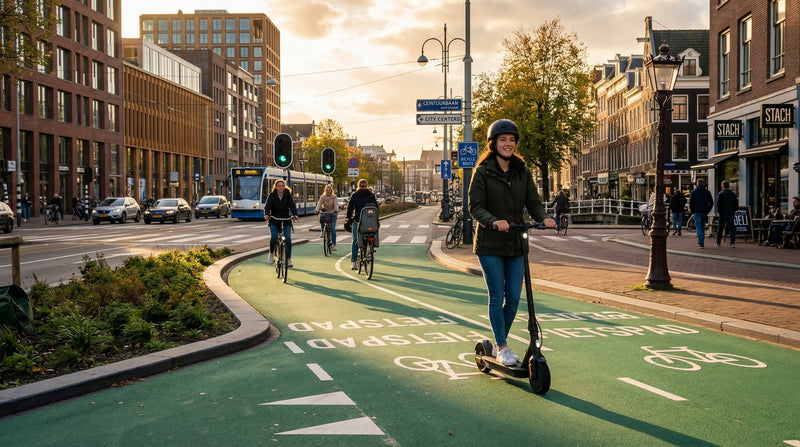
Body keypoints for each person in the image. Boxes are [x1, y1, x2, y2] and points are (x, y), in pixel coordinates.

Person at [468, 119, 555, 367]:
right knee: (497, 296)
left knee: (514, 298)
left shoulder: (522, 171)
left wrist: (544, 218)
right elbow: (475, 206)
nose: (508, 144)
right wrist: (494, 221)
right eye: (503, 139)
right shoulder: (483, 172)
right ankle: (503, 347)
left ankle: (497, 342)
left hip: (516, 243)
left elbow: (533, 203)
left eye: (512, 140)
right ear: (493, 144)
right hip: (490, 243)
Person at [264, 179, 298, 267]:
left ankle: (289, 259)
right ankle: (271, 253)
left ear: (284, 187)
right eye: (279, 186)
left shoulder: (288, 195)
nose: (281, 187)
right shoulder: (272, 195)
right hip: (274, 219)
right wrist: (267, 214)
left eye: (282, 186)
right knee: (274, 236)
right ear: (275, 187)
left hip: (286, 219)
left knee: (288, 238)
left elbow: (292, 205)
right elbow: (267, 206)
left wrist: (295, 214)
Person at [346, 179, 378, 270]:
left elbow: (350, 207)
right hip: (369, 221)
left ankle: (354, 262)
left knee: (355, 240)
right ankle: (371, 247)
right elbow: (376, 207)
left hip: (358, 221)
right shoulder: (371, 195)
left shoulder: (355, 195)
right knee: (372, 233)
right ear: (367, 186)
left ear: (358, 186)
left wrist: (348, 217)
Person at [688, 179, 713, 248]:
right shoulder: (707, 192)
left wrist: (692, 211)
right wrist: (707, 210)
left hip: (696, 212)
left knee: (698, 227)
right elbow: (711, 202)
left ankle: (701, 242)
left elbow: (691, 203)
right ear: (703, 184)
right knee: (702, 227)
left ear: (697, 184)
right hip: (704, 212)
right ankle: (701, 240)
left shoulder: (693, 192)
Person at [314, 184, 338, 251]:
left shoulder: (334, 197)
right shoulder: (322, 197)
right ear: (325, 190)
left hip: (332, 213)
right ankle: (322, 230)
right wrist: (317, 209)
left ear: (331, 190)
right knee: (321, 217)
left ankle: (334, 245)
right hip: (325, 213)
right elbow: (319, 204)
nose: (328, 191)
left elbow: (336, 204)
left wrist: (336, 209)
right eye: (327, 190)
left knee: (332, 228)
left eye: (329, 190)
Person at [714, 180, 738, 248]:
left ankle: (718, 242)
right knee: (732, 228)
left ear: (723, 186)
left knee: (721, 228)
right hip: (730, 212)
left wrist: (719, 211)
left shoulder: (720, 194)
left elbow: (718, 204)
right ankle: (732, 243)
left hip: (723, 213)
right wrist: (733, 209)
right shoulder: (733, 194)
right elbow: (736, 204)